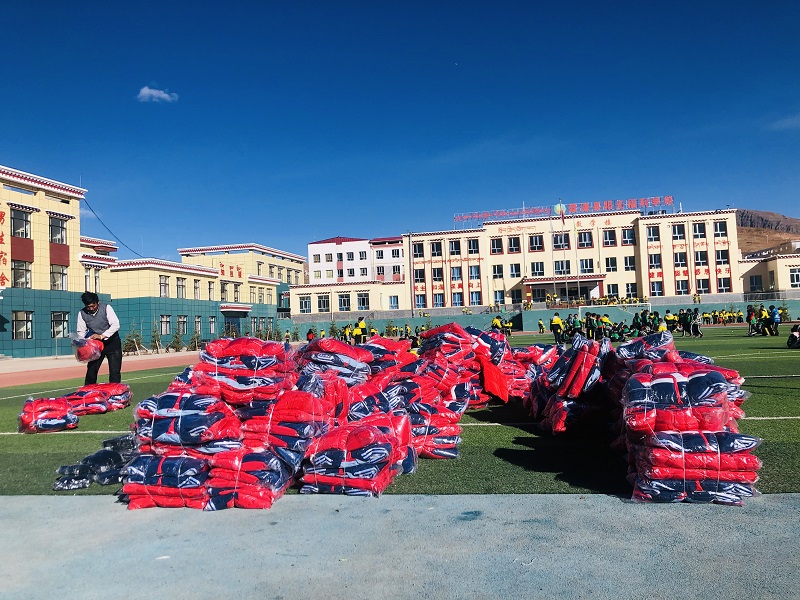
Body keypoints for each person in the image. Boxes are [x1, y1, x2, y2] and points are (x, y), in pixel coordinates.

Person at [76, 292, 122, 385]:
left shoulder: (106, 308)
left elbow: (115, 325)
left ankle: (115, 392)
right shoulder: (82, 313)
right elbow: (81, 331)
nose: (91, 309)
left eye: (93, 306)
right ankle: (88, 390)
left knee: (114, 371)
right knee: (91, 370)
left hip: (112, 343)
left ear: (98, 302)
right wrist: (85, 340)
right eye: (88, 307)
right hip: (95, 345)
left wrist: (102, 336)